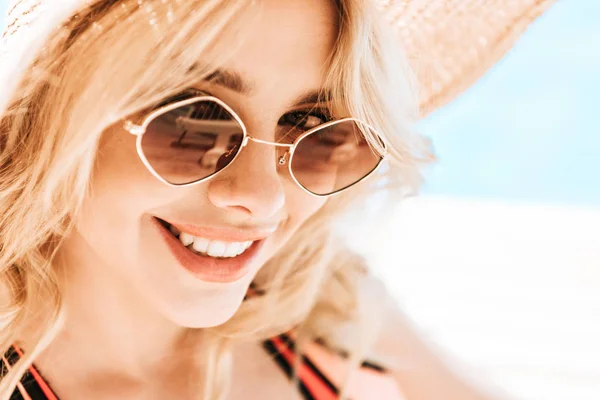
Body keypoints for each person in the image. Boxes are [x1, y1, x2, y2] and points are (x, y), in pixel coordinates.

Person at [0, 0, 554, 399]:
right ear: (48, 116)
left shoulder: (322, 304)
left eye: (313, 126)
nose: (262, 199)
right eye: (195, 121)